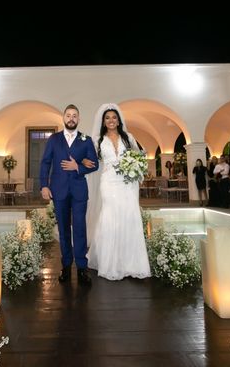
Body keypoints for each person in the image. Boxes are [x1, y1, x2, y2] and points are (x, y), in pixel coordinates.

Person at [86, 104, 151, 281]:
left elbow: (140, 154)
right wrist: (81, 162)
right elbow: (92, 160)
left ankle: (132, 263)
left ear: (119, 120)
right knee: (110, 216)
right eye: (108, 118)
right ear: (103, 121)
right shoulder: (97, 140)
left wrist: (136, 165)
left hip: (127, 182)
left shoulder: (128, 137)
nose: (111, 120)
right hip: (108, 182)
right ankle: (110, 263)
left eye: (114, 117)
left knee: (129, 216)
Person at [40, 104, 99, 285]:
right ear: (63, 118)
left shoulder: (86, 140)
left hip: (79, 191)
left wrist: (78, 167)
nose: (71, 118)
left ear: (78, 119)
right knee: (64, 229)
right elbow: (45, 163)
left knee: (80, 228)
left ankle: (82, 268)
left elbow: (95, 164)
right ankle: (66, 266)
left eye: (75, 115)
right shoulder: (54, 139)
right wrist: (44, 185)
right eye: (68, 115)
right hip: (58, 190)